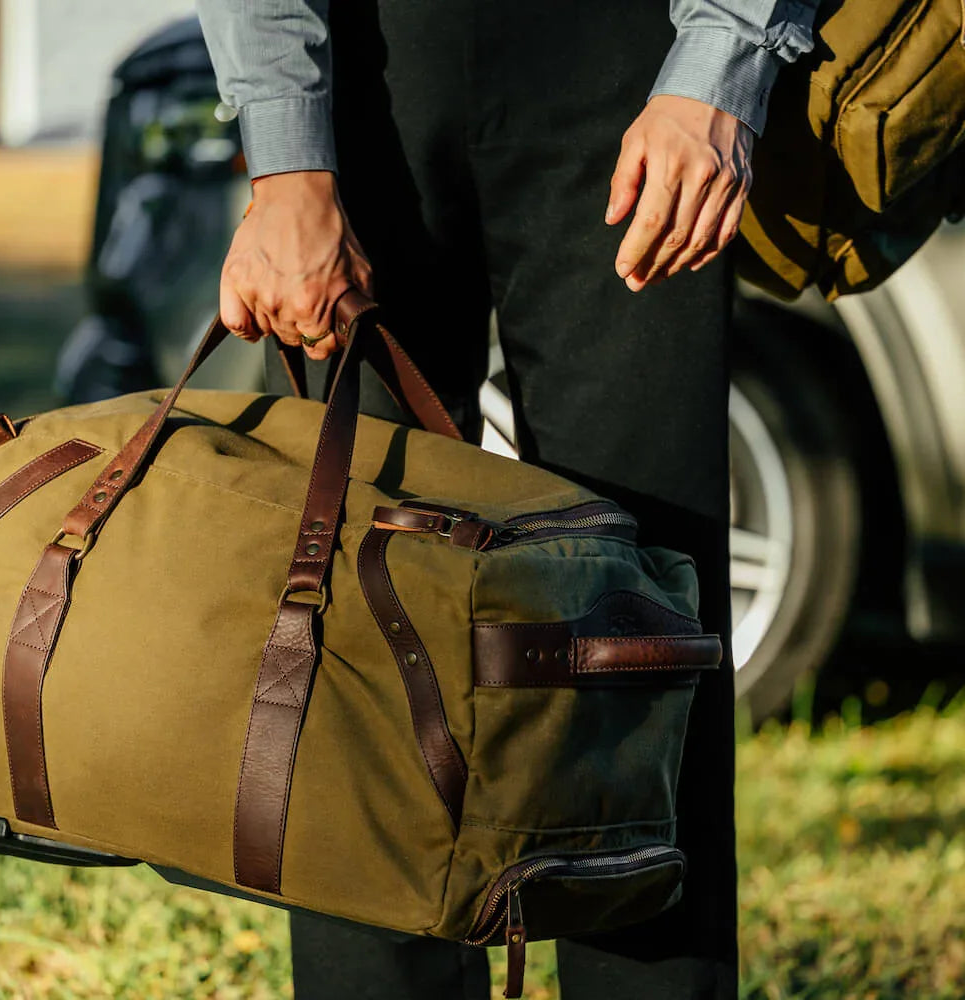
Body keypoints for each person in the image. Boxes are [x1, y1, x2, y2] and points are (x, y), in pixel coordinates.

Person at [195, 1, 815, 997]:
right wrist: (284, 151)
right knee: (356, 665)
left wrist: (722, 60)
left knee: (645, 659)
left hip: (633, 81)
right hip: (360, 101)